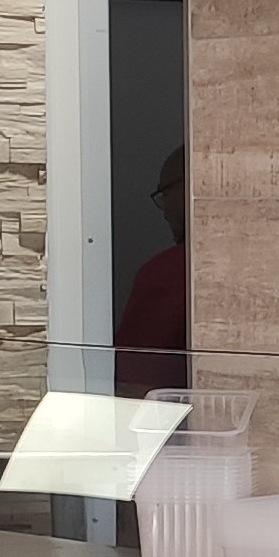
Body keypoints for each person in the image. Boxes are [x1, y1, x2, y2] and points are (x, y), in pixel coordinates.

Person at [115, 147, 188, 399]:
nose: (164, 212)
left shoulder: (169, 271)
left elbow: (133, 385)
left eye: (165, 194)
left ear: (189, 186)